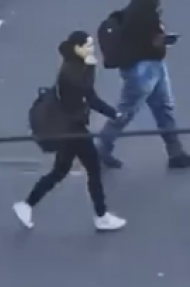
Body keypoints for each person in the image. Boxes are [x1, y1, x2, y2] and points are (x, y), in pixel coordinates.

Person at [13, 31, 128, 232]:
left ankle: (27, 204)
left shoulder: (73, 66)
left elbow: (89, 96)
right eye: (88, 46)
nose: (92, 49)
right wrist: (113, 112)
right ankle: (101, 216)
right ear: (77, 48)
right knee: (93, 168)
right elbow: (89, 95)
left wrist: (112, 113)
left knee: (60, 171)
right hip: (73, 129)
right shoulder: (71, 72)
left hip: (69, 128)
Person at [96, 0, 190, 170]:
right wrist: (165, 39)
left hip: (152, 66)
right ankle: (101, 149)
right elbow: (150, 39)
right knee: (127, 111)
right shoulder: (145, 5)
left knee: (163, 108)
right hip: (143, 69)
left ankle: (176, 153)